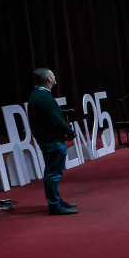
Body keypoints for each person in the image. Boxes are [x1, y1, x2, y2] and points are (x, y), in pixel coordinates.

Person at [27, 68, 78, 215]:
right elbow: (54, 120)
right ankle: (54, 205)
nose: (54, 77)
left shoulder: (39, 95)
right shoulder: (43, 97)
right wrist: (69, 132)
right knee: (53, 173)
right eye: (53, 75)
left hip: (50, 139)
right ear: (49, 79)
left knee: (53, 172)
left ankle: (57, 201)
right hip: (51, 141)